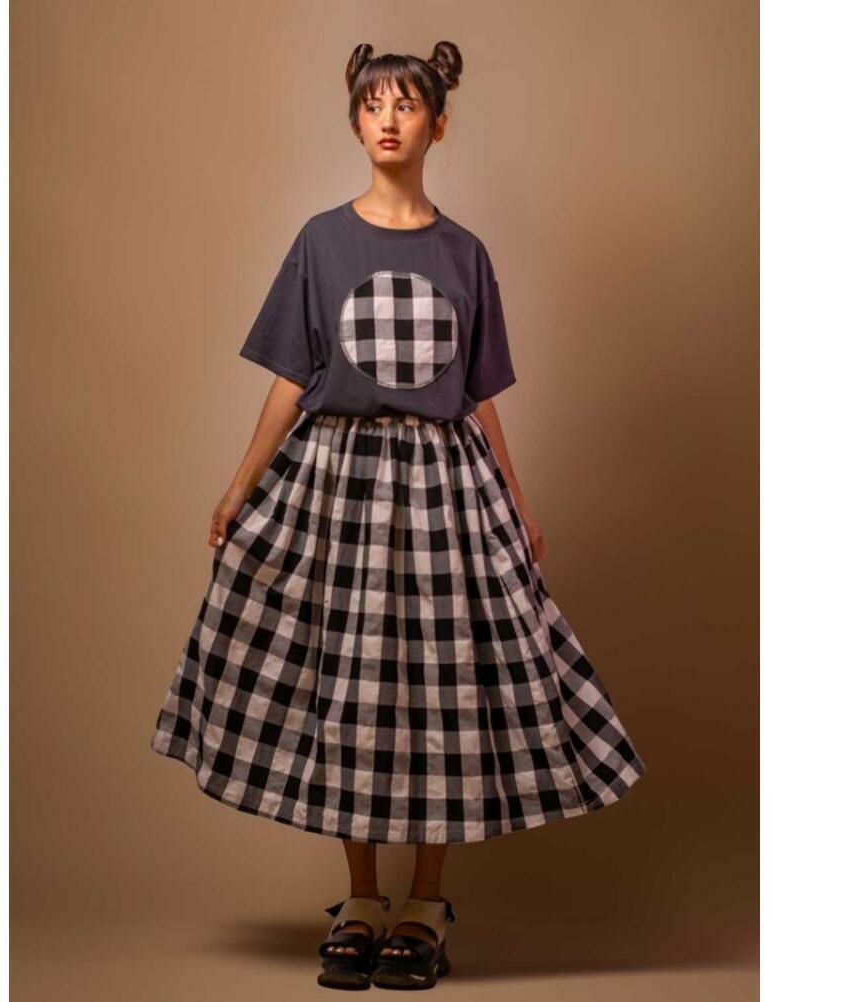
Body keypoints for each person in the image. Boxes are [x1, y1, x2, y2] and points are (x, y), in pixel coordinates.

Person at [149, 39, 647, 991]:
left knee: (435, 688)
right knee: (351, 684)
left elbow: (477, 391)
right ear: (354, 122)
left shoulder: (465, 254)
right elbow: (292, 377)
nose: (388, 119)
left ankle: (424, 905)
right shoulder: (320, 241)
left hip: (441, 486)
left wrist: (519, 501)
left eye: (406, 105)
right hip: (338, 485)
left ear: (437, 125)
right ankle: (360, 901)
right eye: (373, 104)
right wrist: (239, 484)